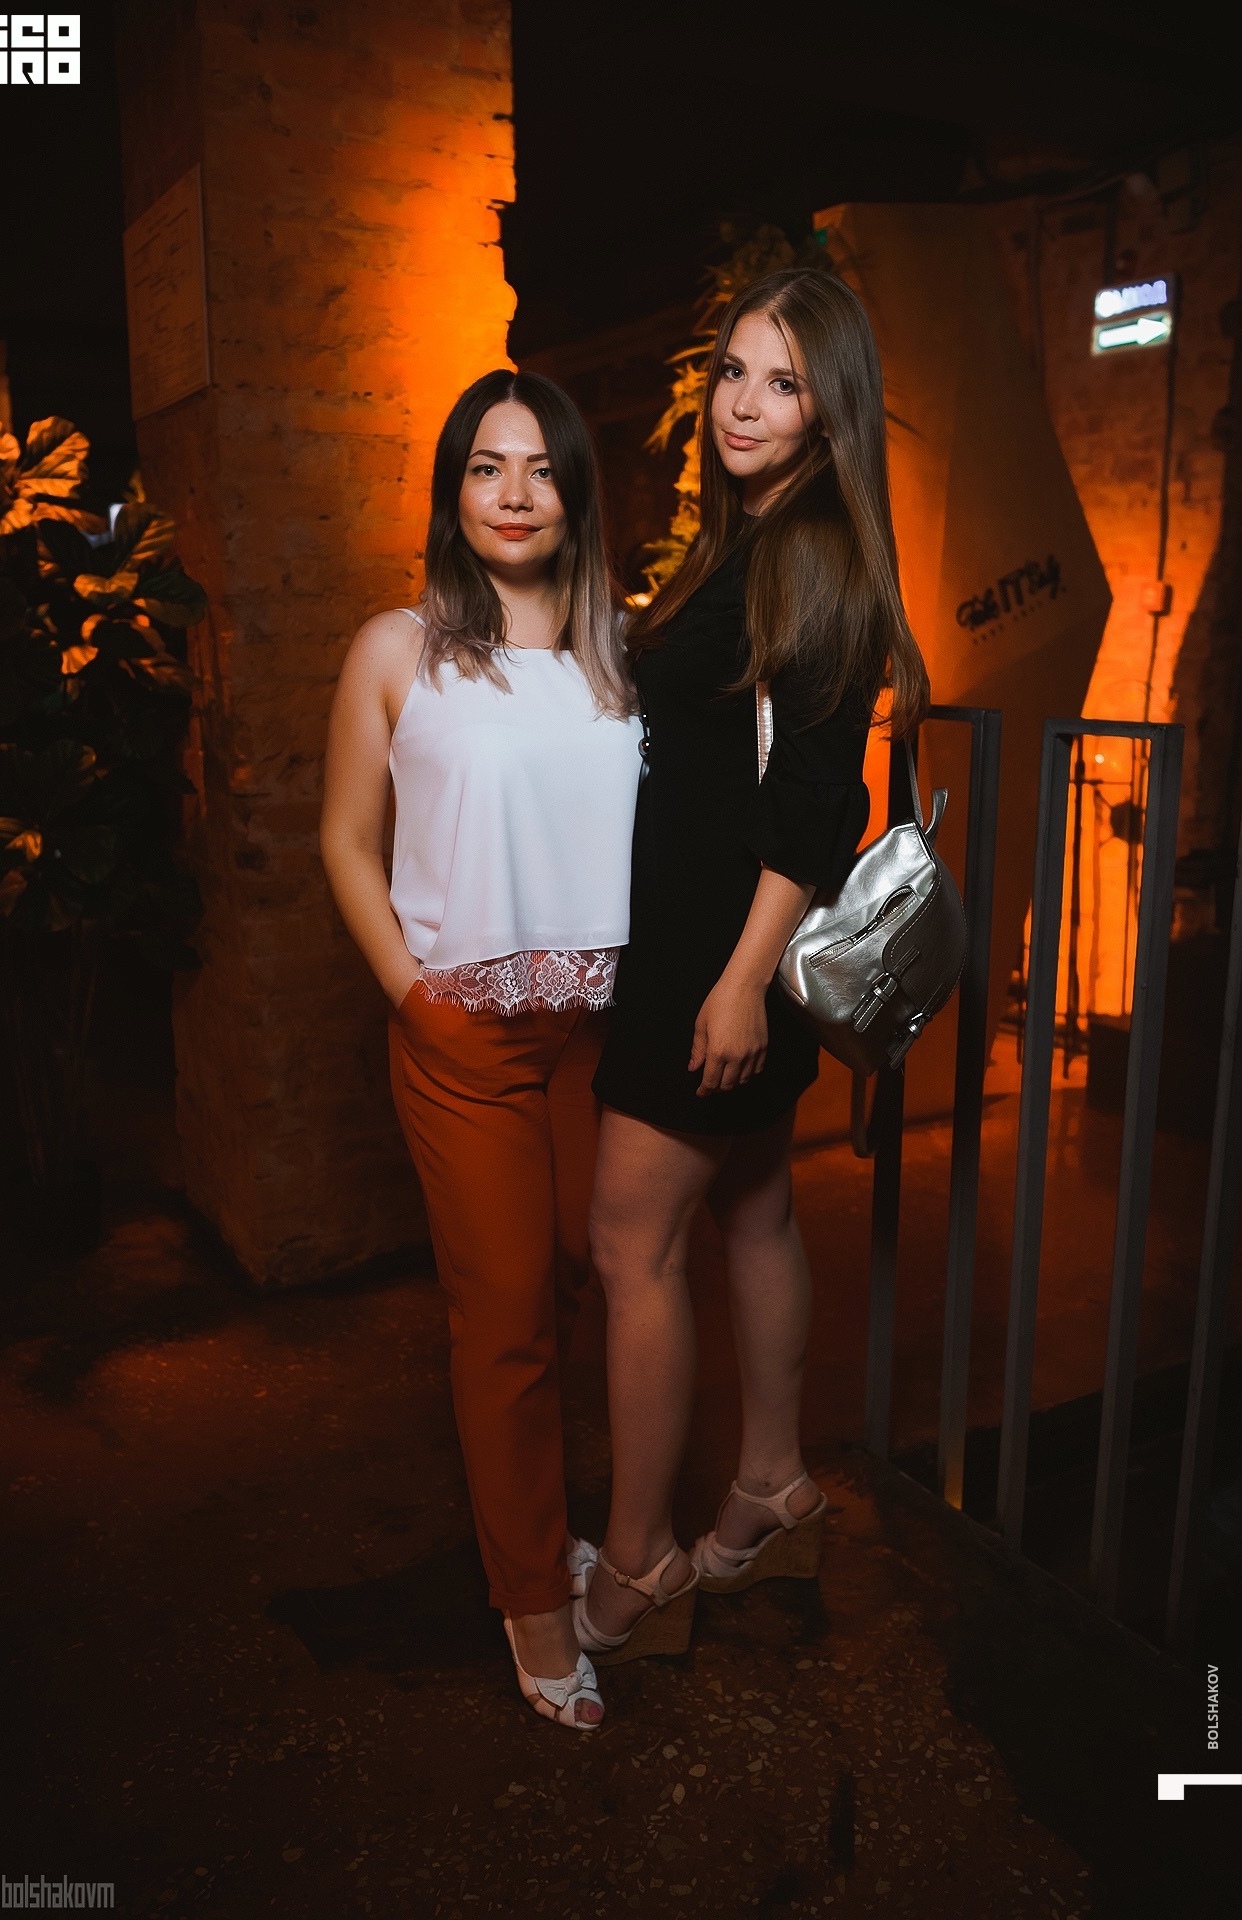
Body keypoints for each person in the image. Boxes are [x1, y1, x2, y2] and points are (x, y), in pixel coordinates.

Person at [574, 267, 930, 1663]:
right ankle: (773, 1488)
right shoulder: (752, 536)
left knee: (630, 1243)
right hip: (718, 946)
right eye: (732, 370)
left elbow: (816, 798)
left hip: (721, 958)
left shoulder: (816, 550)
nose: (743, 403)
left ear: (829, 409)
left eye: (783, 383)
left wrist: (734, 982)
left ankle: (641, 1564)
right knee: (756, 1209)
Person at [320, 369, 642, 1728]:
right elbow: (346, 841)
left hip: (594, 1028)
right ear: (453, 491)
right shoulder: (397, 649)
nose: (515, 495)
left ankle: (543, 1520)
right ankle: (528, 1597)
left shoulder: (615, 653)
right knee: (503, 1314)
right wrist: (412, 995)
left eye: (542, 469)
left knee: (576, 1282)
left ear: (576, 493)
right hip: (463, 1033)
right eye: (486, 467)